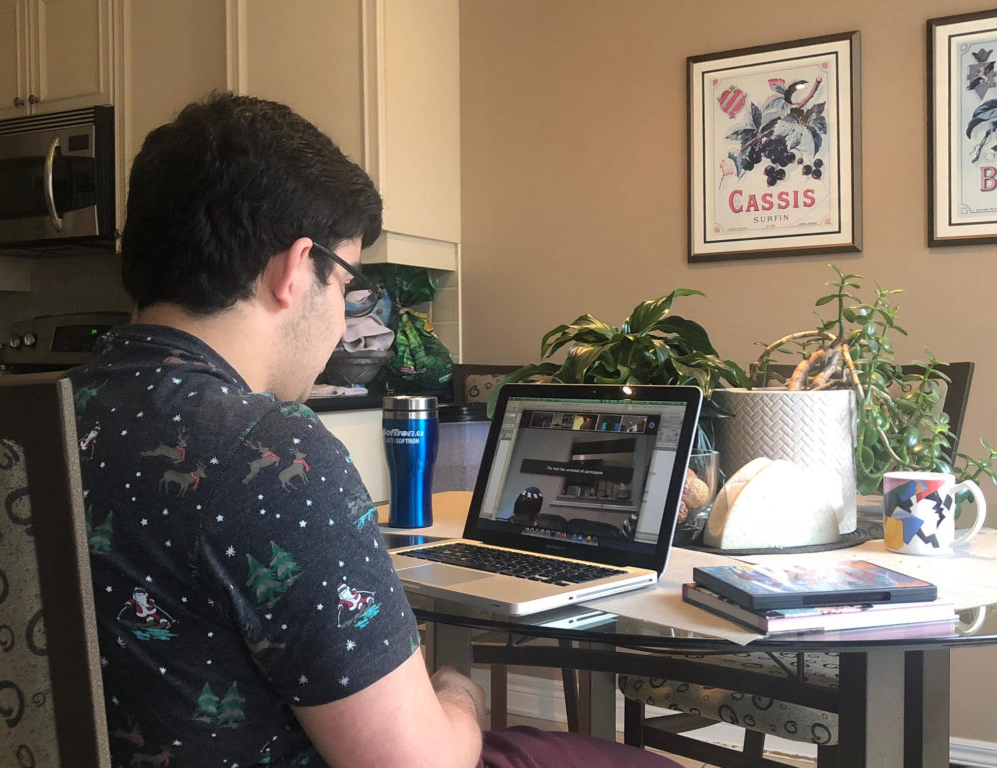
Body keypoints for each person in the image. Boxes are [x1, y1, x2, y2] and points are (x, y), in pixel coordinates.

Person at [68, 92, 680, 768]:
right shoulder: (268, 449)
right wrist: (458, 695)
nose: (341, 321)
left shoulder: (37, 423)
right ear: (295, 269)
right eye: (347, 283)